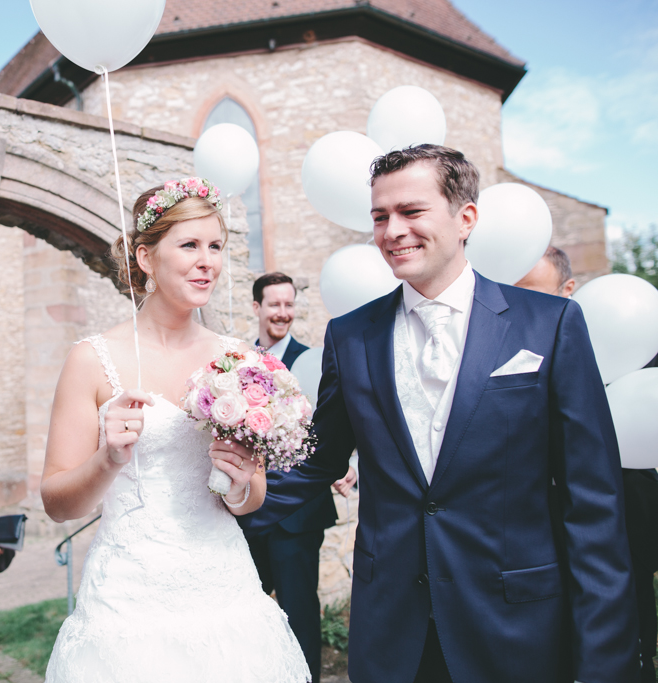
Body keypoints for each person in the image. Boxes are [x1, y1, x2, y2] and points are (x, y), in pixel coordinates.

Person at [242, 145, 637, 683]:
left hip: (515, 626)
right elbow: (319, 459)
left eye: (411, 211)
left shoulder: (550, 324)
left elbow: (592, 503)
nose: (392, 230)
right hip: (394, 631)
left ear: (465, 217)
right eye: (380, 217)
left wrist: (606, 663)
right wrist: (224, 499)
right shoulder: (351, 335)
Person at [41, 178, 309, 682]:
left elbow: (252, 499)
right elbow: (57, 503)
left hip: (222, 588)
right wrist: (107, 460)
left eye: (215, 247)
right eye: (189, 245)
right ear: (145, 258)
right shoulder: (92, 360)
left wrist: (239, 480)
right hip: (127, 601)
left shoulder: (240, 360)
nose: (208, 260)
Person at [515, 249, 658, 682]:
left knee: (627, 628)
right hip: (531, 532)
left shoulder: (621, 337)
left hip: (621, 520)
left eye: (534, 293)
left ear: (567, 290)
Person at [246, 271, 337, 681]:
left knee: (299, 609)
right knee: (246, 609)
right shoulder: (238, 363)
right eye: (274, 304)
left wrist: (347, 467)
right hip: (247, 507)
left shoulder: (315, 360)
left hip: (299, 513)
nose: (282, 313)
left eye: (288, 305)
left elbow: (339, 426)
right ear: (257, 308)